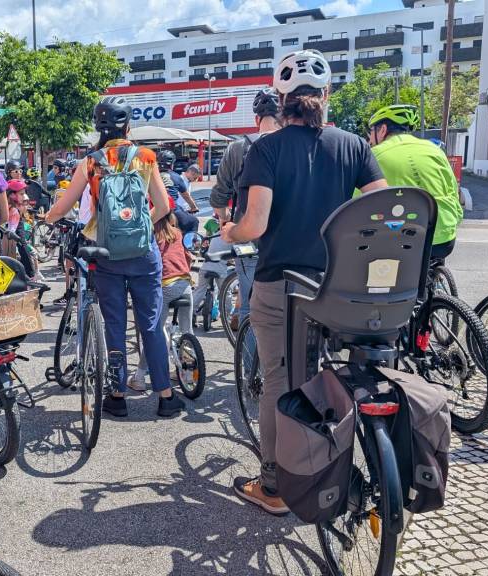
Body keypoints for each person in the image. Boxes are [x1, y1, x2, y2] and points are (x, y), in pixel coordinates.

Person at [220, 49, 387, 515]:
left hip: (281, 288)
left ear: (280, 96)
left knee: (279, 380)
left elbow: (254, 225)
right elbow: (384, 210)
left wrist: (229, 231)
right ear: (326, 95)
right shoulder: (353, 145)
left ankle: (274, 486)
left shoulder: (266, 150)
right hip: (337, 287)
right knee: (328, 372)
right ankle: (332, 462)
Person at [47, 98, 182, 418]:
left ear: (99, 127)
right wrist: (141, 223)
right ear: (127, 127)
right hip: (143, 252)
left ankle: (117, 395)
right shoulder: (146, 157)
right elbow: (164, 207)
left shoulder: (91, 162)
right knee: (150, 324)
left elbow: (62, 208)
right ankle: (165, 394)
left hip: (105, 254)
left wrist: (47, 218)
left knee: (115, 326)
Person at [210, 87, 282, 330]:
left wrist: (225, 222)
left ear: (256, 119)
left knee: (250, 308)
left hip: (248, 239)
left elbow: (219, 195)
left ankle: (249, 366)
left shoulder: (238, 148)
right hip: (287, 239)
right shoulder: (294, 145)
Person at [366, 104, 463, 262]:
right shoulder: (435, 150)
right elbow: (453, 190)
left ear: (382, 129)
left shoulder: (374, 155)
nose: (369, 139)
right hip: (444, 236)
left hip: (404, 240)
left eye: (370, 132)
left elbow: (357, 202)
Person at [129, 198, 194, 391]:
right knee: (187, 331)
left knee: (153, 333)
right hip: (185, 284)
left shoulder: (149, 235)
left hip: (164, 286)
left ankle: (139, 378)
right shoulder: (177, 233)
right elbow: (187, 257)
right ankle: (188, 373)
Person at [157, 148, 200, 221]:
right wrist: (193, 207)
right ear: (172, 164)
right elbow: (186, 196)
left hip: (154, 209)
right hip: (171, 210)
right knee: (194, 222)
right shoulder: (176, 177)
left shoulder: (152, 176)